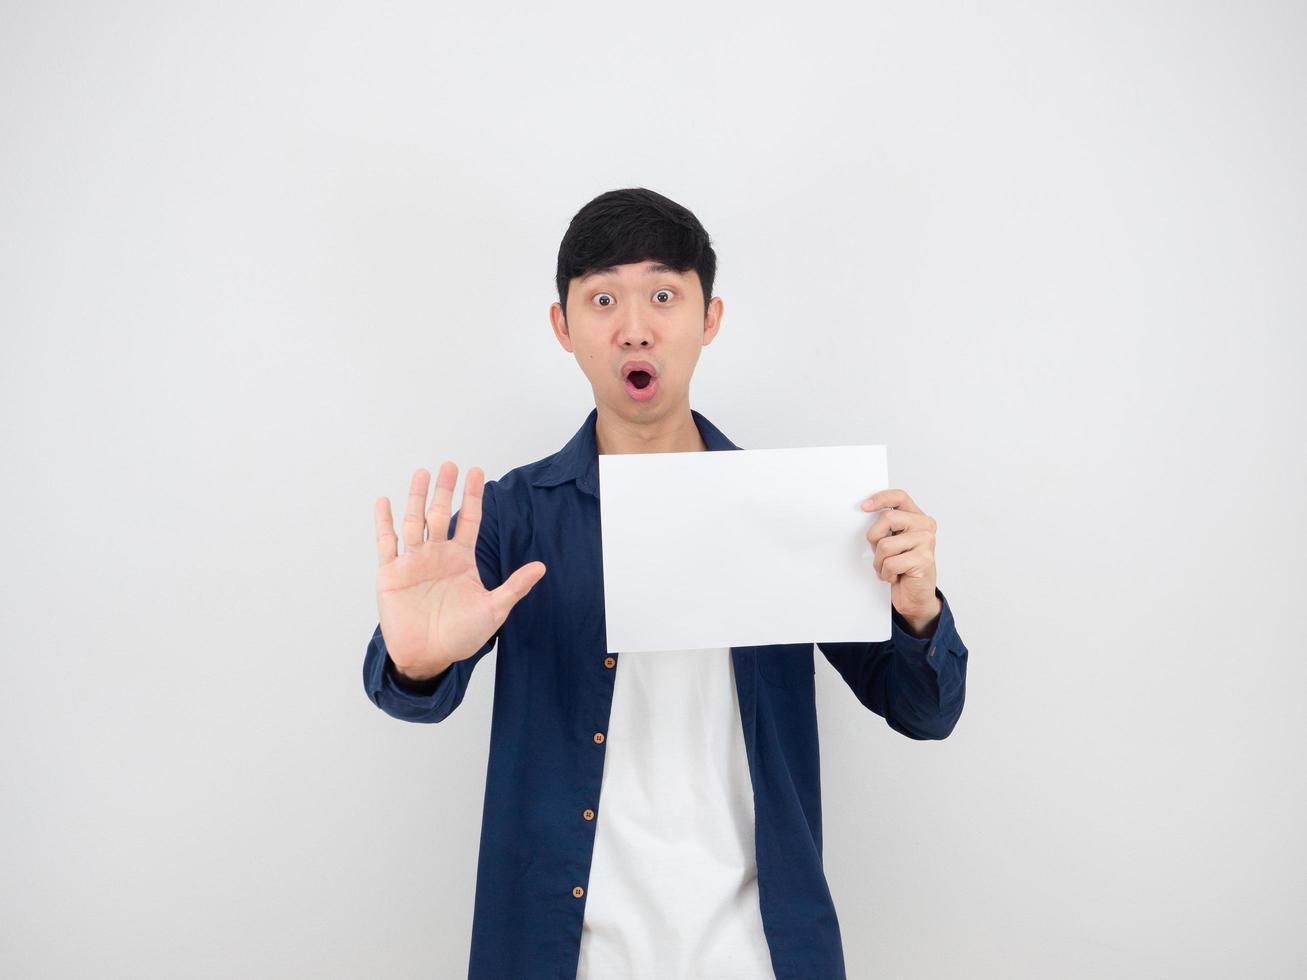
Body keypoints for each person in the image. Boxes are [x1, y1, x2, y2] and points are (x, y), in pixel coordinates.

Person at [364, 187, 970, 979]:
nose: (634, 326)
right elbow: (408, 686)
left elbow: (924, 711)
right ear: (563, 327)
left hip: (756, 954)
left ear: (709, 319)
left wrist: (916, 608)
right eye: (602, 298)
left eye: (662, 295)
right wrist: (417, 659)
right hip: (564, 953)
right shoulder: (511, 517)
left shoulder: (795, 508)